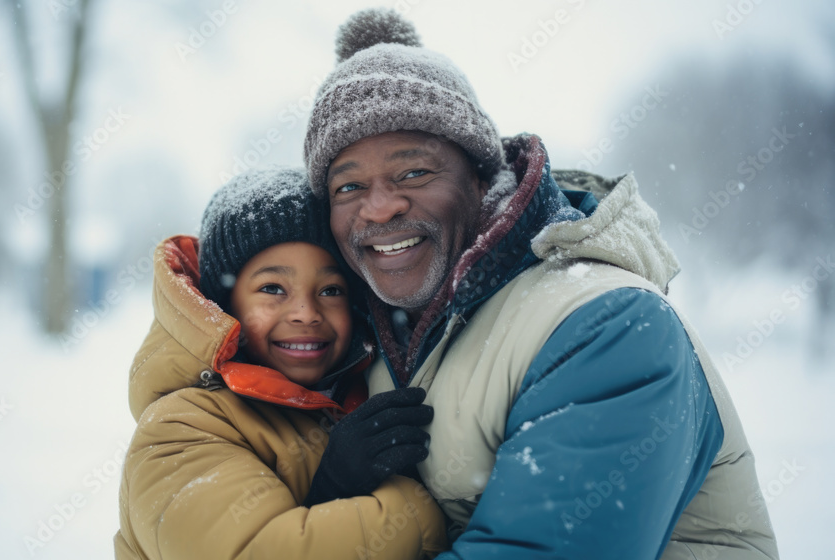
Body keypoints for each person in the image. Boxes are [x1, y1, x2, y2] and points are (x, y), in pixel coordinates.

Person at [297, 8, 780, 559]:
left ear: (481, 178)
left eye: (414, 173)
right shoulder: (368, 339)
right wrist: (330, 487)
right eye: (349, 186)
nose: (379, 208)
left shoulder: (609, 326)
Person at [114, 166, 447, 559]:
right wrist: (364, 494)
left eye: (330, 289)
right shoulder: (179, 428)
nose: (306, 313)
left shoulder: (364, 389)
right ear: (222, 304)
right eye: (272, 288)